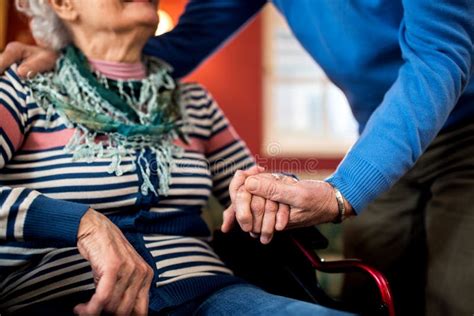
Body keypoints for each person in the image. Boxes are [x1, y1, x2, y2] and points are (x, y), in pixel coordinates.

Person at [2, 1, 474, 315]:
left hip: (461, 120)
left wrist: (279, 194)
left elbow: (440, 54)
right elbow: (190, 37)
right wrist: (82, 221)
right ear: (61, 3)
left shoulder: (195, 104)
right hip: (68, 295)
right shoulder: (21, 87)